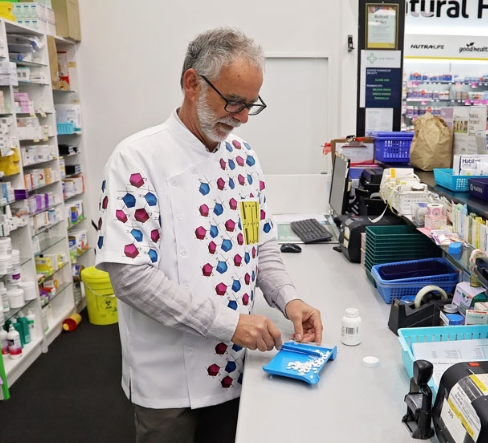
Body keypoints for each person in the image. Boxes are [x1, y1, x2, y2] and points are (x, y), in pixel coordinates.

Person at [95, 27, 323, 443]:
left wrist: (289, 298)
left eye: (250, 105)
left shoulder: (244, 158)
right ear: (192, 83)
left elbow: (261, 243)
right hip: (168, 379)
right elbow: (129, 277)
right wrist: (227, 323)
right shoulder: (137, 157)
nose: (240, 118)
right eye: (234, 102)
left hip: (239, 363)